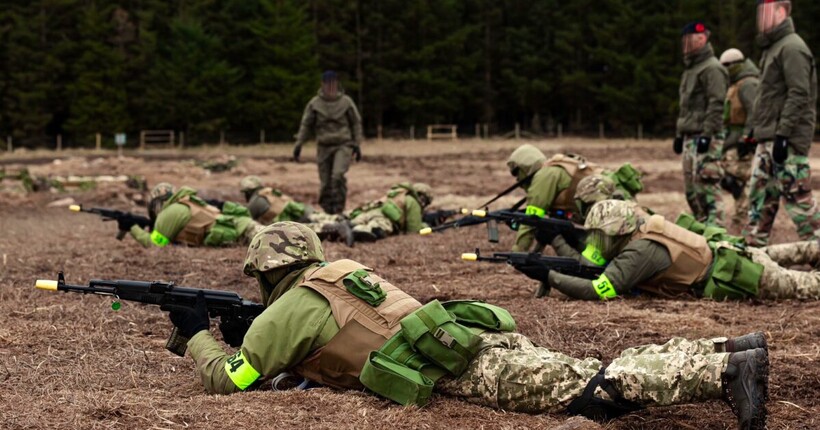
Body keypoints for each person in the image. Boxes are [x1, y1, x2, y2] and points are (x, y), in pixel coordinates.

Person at [164, 221, 769, 429]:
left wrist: (194, 334)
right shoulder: (340, 271)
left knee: (590, 387)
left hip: (459, 361)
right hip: (465, 335)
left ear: (268, 272)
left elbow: (231, 381)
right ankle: (727, 347)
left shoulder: (289, 307)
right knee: (582, 373)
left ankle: (724, 369)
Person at [546, 199, 820, 302]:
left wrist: (550, 276)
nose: (596, 242)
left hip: (737, 272)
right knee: (795, 253)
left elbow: (597, 289)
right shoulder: (640, 229)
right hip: (729, 255)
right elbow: (589, 266)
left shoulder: (640, 252)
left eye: (599, 236)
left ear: (617, 232)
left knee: (807, 286)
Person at [744, 0, 820, 246]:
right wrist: (755, 133)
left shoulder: (792, 47)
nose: (763, 19)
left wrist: (783, 134)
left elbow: (799, 94)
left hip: (785, 141)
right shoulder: (773, 48)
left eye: (768, 12)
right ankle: (754, 258)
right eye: (760, 13)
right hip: (769, 139)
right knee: (759, 201)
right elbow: (768, 98)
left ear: (782, 12)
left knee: (800, 205)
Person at [505, 144, 642, 253]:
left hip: (612, 211)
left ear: (526, 166)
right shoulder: (553, 168)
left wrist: (518, 251)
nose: (517, 178)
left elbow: (531, 218)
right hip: (617, 205)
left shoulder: (545, 176)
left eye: (517, 172)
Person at [674, 21, 729, 226]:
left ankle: (718, 233)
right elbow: (686, 106)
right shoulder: (690, 70)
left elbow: (716, 103)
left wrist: (707, 134)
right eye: (684, 40)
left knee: (707, 188)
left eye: (691, 40)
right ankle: (704, 231)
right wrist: (679, 135)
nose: (686, 44)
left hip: (707, 136)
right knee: (692, 191)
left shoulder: (712, 68)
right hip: (690, 136)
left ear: (703, 39)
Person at [293, 71, 364, 215]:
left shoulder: (346, 102)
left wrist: (357, 144)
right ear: (322, 84)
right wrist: (299, 144)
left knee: (337, 176)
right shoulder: (314, 103)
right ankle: (327, 211)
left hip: (343, 144)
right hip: (324, 145)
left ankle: (339, 208)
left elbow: (355, 123)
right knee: (325, 183)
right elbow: (306, 124)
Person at [126, 183, 265, 248]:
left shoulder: (170, 212)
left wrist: (132, 227)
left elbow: (156, 244)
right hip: (242, 227)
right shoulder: (184, 203)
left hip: (244, 230)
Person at [239, 176, 353, 246]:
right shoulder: (270, 192)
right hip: (301, 211)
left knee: (309, 230)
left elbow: (250, 219)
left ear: (247, 192)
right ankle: (350, 224)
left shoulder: (254, 202)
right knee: (323, 218)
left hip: (289, 220)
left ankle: (336, 227)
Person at [719, 48, 760, 227]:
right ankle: (742, 216)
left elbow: (755, 111)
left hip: (742, 141)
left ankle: (746, 218)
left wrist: (747, 138)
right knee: (727, 177)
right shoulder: (736, 84)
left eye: (726, 66)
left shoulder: (748, 84)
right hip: (732, 140)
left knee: (747, 178)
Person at [348, 182, 433, 242]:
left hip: (373, 212)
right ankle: (355, 230)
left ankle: (345, 226)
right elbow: (413, 230)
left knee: (353, 223)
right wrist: (425, 225)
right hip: (384, 220)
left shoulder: (399, 194)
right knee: (371, 230)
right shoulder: (414, 203)